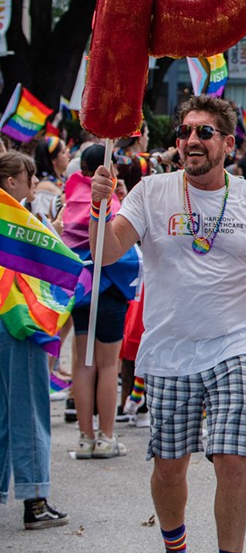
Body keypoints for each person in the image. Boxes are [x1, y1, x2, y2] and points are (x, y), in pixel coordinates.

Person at [89, 95, 246, 553]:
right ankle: (175, 551)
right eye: (184, 133)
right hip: (169, 349)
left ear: (229, 144)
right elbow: (108, 251)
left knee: (231, 456)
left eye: (205, 133)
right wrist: (99, 208)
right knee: (169, 465)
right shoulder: (152, 192)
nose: (192, 142)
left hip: (233, 343)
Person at [0, 152, 71, 530]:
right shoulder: (14, 222)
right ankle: (35, 499)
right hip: (19, 319)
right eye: (28, 179)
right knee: (28, 408)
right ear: (12, 182)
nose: (32, 186)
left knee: (3, 412)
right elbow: (49, 265)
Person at [64, 144, 141, 458]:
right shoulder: (108, 198)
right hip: (109, 288)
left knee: (82, 362)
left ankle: (85, 438)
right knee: (108, 364)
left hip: (79, 288)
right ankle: (107, 437)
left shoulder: (69, 196)